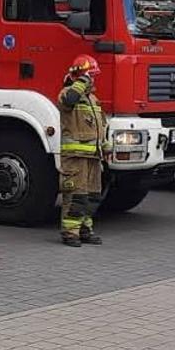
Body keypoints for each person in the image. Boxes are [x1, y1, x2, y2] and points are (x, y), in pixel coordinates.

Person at [57, 56, 108, 247]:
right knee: (76, 196)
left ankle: (85, 230)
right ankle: (70, 233)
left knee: (92, 197)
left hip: (93, 157)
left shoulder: (92, 99)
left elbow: (101, 125)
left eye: (93, 76)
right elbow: (69, 101)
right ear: (79, 75)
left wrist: (105, 146)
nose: (92, 79)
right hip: (75, 158)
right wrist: (81, 81)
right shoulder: (67, 94)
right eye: (89, 75)